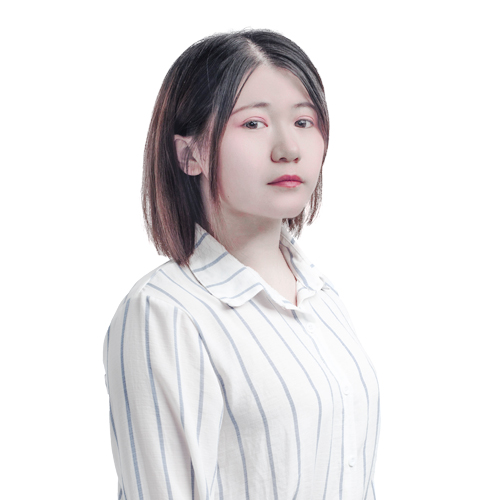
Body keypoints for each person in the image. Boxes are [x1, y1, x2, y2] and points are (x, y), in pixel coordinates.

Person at [103, 28, 380, 500]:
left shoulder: (322, 296)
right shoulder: (164, 313)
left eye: (304, 121)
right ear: (189, 154)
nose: (288, 148)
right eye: (253, 124)